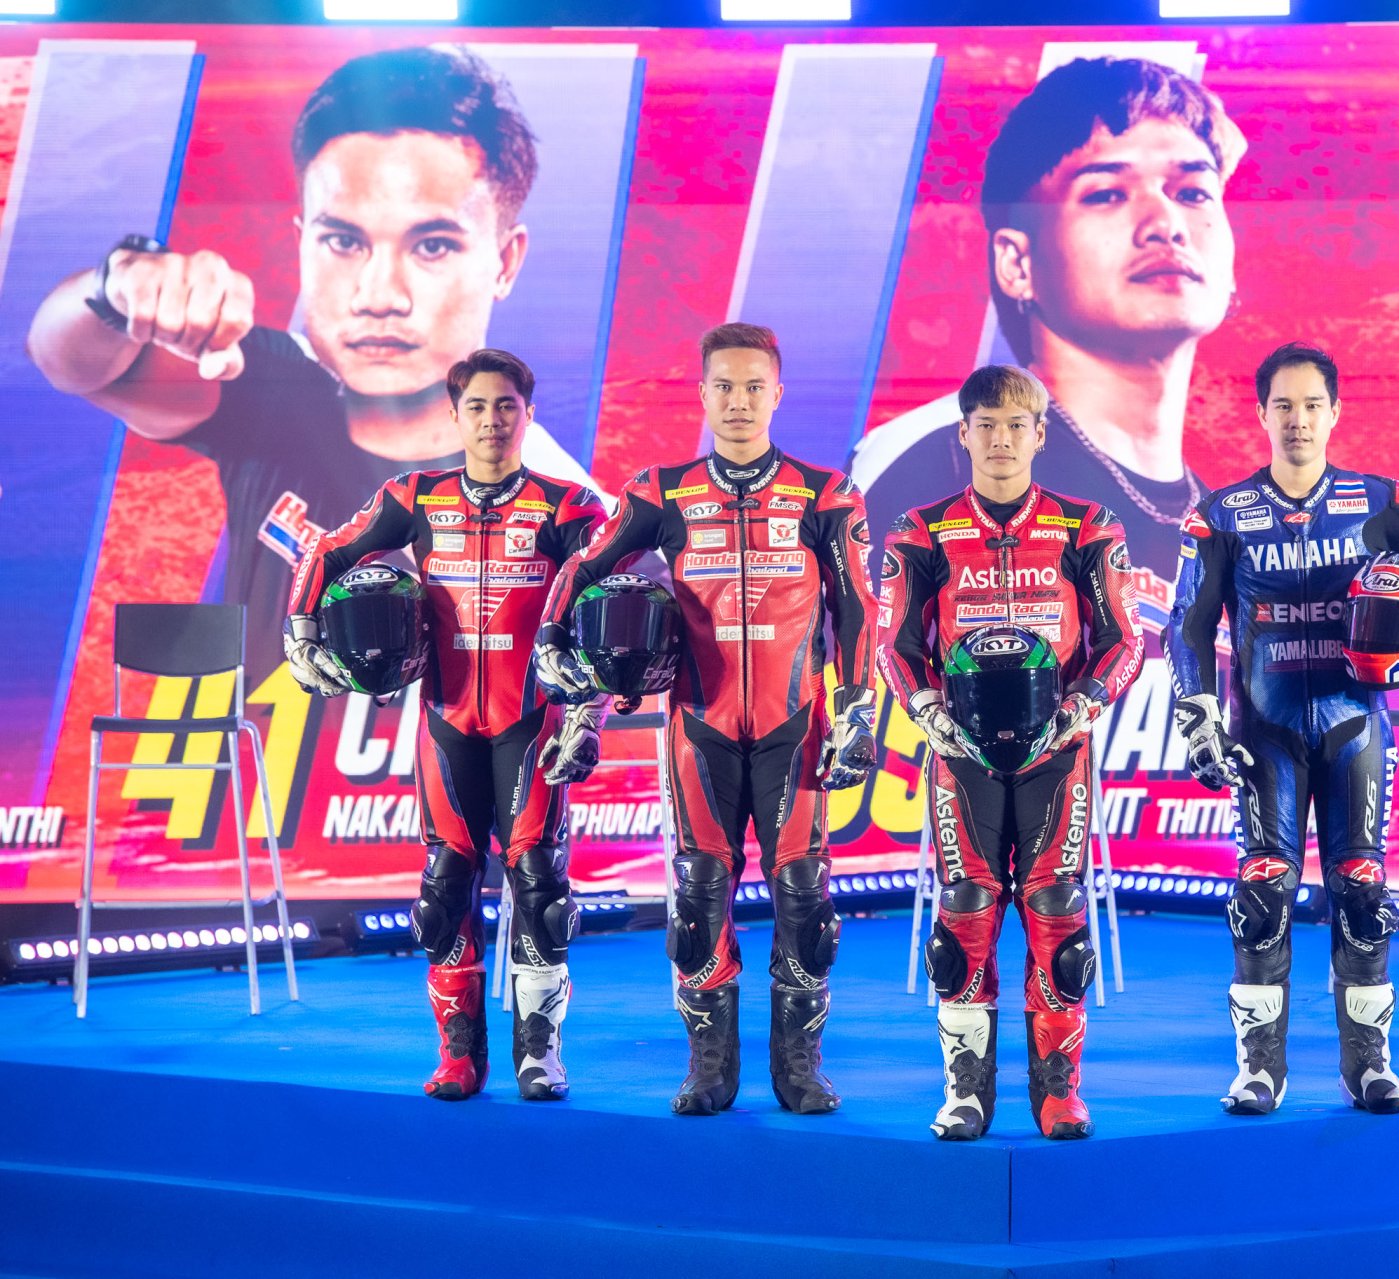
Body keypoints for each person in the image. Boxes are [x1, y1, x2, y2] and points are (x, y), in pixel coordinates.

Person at [28, 45, 598, 680]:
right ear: (303, 244)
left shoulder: (567, 510)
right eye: (344, 241)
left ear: (505, 262)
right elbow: (73, 362)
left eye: (433, 245)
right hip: (253, 747)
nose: (378, 296)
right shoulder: (274, 392)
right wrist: (120, 286)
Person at [537, 322, 879, 1117]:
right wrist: (554, 639)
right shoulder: (661, 491)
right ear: (701, 394)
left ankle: (799, 1067)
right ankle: (709, 1066)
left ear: (777, 394)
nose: (739, 401)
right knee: (697, 898)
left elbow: (858, 608)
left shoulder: (826, 493)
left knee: (805, 897)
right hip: (700, 727)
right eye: (724, 386)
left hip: (797, 727)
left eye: (754, 386)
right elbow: (585, 567)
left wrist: (858, 709)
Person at [1165, 342, 1399, 1116]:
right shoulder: (1220, 514)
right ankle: (1259, 1070)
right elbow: (1188, 625)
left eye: (1312, 405)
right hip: (1265, 731)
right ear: (1261, 414)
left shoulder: (1380, 500)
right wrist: (1197, 713)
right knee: (1262, 894)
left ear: (1336, 412)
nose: (1298, 419)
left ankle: (1369, 1067)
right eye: (1283, 405)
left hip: (1357, 727)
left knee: (1363, 891)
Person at [285, 348, 608, 1102]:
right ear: (455, 415)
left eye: (507, 406)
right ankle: (460, 1053)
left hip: (533, 724)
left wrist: (587, 713)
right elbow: (327, 550)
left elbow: (603, 611)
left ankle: (539, 1052)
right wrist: (301, 634)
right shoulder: (415, 495)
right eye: (478, 407)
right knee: (443, 887)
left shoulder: (569, 506)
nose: (493, 420)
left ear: (528, 414)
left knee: (541, 887)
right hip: (447, 721)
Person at [854, 56, 1243, 623]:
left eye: (1193, 192)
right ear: (1017, 263)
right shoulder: (941, 454)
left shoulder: (1218, 516)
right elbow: (862, 662)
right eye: (1107, 194)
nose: (1166, 224)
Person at [878, 365, 1144, 1140]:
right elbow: (896, 643)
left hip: (1056, 751)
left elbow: (1123, 640)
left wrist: (1084, 703)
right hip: (960, 751)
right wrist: (924, 707)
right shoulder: (921, 529)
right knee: (964, 907)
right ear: (963, 434)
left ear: (1040, 434)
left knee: (1058, 908)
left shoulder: (1086, 524)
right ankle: (966, 1090)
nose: (1000, 440)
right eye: (985, 426)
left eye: (1015, 425)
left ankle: (1059, 1091)